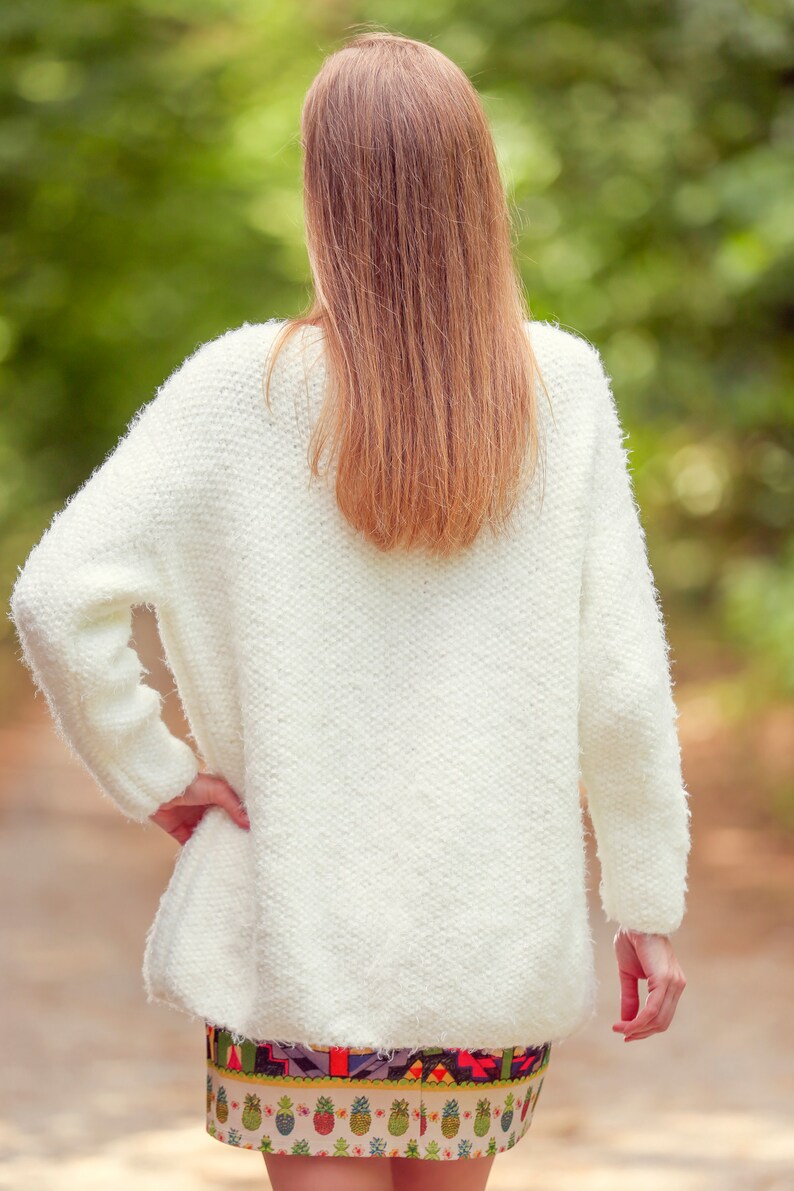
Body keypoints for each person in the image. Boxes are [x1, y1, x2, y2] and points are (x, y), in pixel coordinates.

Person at [8, 29, 691, 1191]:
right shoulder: (558, 387)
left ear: (322, 193)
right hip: (480, 933)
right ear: (478, 189)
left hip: (296, 929)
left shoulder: (240, 388)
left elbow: (54, 593)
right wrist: (643, 903)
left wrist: (158, 777)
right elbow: (619, 680)